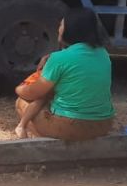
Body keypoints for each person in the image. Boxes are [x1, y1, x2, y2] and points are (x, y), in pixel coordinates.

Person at [14, 8, 115, 141]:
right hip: (104, 124)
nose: (59, 29)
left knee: (21, 102)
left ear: (71, 29)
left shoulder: (59, 58)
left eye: (61, 25)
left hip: (71, 127)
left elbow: (33, 93)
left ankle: (50, 144)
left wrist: (18, 89)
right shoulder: (103, 54)